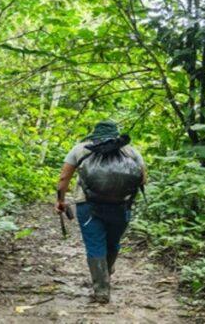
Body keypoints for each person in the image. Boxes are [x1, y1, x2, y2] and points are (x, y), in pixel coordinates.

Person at [55, 120, 147, 303]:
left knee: (94, 243)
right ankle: (107, 269)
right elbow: (143, 179)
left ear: (94, 134)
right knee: (113, 242)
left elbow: (64, 177)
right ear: (116, 134)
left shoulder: (80, 149)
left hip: (88, 205)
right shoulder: (130, 151)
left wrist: (60, 200)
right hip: (121, 205)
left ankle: (102, 290)